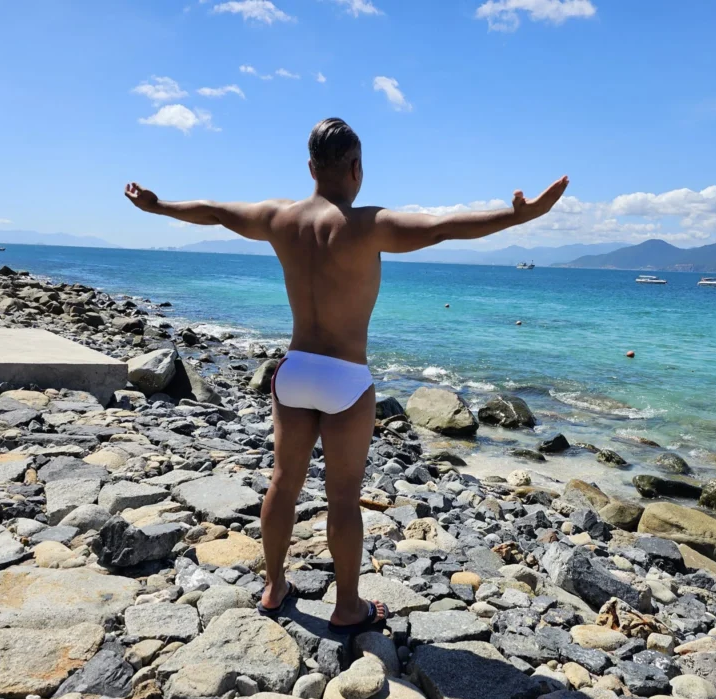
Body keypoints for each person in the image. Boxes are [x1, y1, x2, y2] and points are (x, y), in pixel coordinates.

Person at [125, 117, 568, 632]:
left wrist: (159, 206)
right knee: (342, 497)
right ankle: (348, 606)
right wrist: (518, 218)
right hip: (345, 378)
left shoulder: (278, 218)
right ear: (356, 168)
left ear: (311, 167)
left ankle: (273, 588)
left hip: (295, 370)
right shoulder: (367, 225)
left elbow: (218, 212)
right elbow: (446, 227)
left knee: (284, 483)